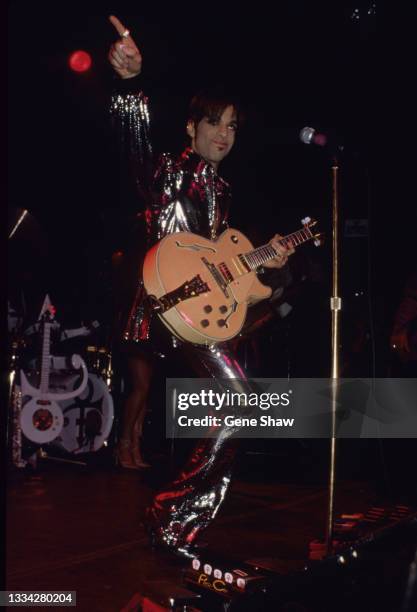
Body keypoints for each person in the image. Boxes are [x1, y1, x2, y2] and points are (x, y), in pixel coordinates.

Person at [108, 14, 294, 557]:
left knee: (235, 409)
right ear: (191, 127)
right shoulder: (169, 171)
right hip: (169, 305)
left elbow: (221, 262)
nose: (224, 135)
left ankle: (177, 521)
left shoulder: (224, 189)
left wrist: (267, 266)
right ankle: (170, 519)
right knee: (239, 405)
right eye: (215, 123)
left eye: (233, 126)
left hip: (204, 312)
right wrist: (129, 85)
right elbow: (134, 144)